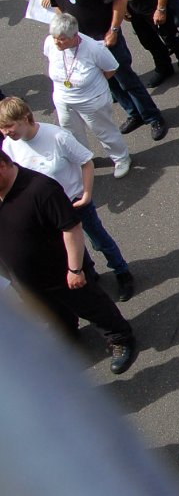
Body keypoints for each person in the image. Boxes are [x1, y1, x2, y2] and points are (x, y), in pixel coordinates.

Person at [0, 148, 137, 374]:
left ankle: (120, 338)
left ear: (3, 165)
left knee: (92, 306)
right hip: (27, 280)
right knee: (53, 314)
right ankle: (69, 334)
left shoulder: (41, 189)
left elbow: (71, 228)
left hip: (62, 273)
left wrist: (75, 269)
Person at [0, 97, 135, 301]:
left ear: (25, 117)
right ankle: (87, 274)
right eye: (2, 128)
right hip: (47, 210)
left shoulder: (57, 137)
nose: (6, 132)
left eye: (9, 126)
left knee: (98, 239)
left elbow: (86, 162)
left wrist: (87, 194)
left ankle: (122, 272)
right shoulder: (10, 145)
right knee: (69, 246)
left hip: (74, 201)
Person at [40, 0, 167, 141]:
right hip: (80, 43)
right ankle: (134, 113)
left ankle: (153, 116)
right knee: (110, 84)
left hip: (105, 39)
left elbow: (119, 0)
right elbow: (58, 4)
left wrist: (114, 30)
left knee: (126, 79)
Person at [41, 13, 132, 178]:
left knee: (104, 132)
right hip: (63, 100)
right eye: (54, 37)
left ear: (75, 36)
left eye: (61, 39)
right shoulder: (51, 43)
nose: (56, 42)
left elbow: (111, 69)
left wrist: (91, 85)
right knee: (71, 133)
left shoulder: (94, 48)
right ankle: (84, 160)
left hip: (91, 100)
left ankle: (121, 158)